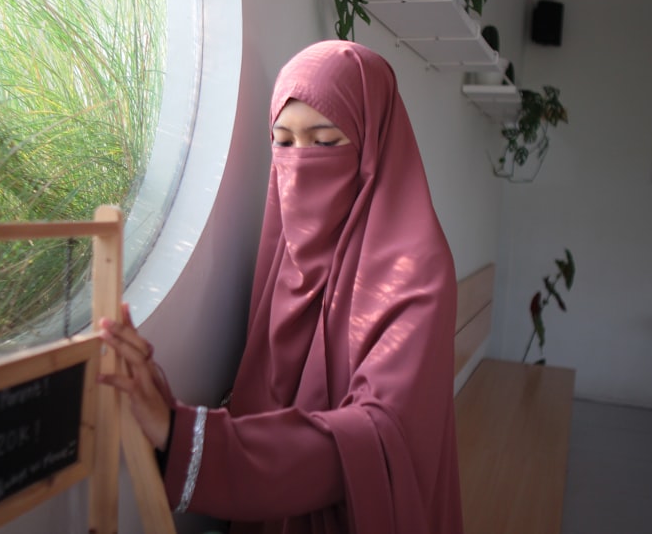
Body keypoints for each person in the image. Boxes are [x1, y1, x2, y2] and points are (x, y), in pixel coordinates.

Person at [97, 40, 462, 534]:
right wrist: (167, 403)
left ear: (373, 146)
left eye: (325, 141)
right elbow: (260, 400)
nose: (299, 162)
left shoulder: (418, 270)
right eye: (283, 143)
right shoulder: (283, 257)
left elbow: (379, 436)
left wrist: (185, 436)